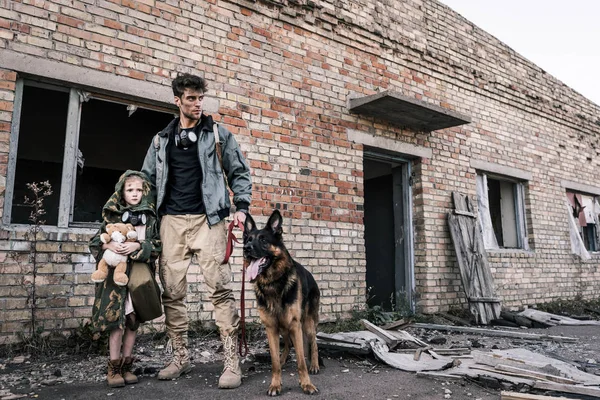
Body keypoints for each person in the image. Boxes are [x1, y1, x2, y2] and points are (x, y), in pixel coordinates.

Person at [141, 73, 252, 388]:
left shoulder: (217, 134)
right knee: (172, 292)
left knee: (219, 288)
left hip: (209, 220)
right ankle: (180, 358)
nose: (197, 103)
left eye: (200, 98)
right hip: (171, 222)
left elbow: (239, 170)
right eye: (191, 98)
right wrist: (141, 220)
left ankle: (231, 363)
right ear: (177, 101)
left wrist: (241, 209)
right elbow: (147, 180)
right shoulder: (161, 140)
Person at [89, 171, 162, 388]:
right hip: (115, 280)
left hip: (137, 277)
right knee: (116, 323)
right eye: (130, 189)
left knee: (132, 322)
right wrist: (107, 245)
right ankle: (113, 366)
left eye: (139, 190)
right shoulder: (112, 215)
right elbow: (95, 241)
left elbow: (157, 245)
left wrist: (138, 245)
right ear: (122, 191)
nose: (135, 194)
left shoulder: (149, 218)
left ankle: (127, 365)